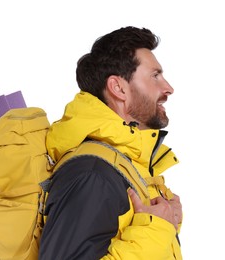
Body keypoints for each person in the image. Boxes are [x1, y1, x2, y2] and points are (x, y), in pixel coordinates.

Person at [39, 26, 183, 259]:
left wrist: (165, 224)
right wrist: (155, 228)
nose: (168, 88)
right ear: (118, 88)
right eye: (155, 76)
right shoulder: (92, 173)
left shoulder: (126, 165)